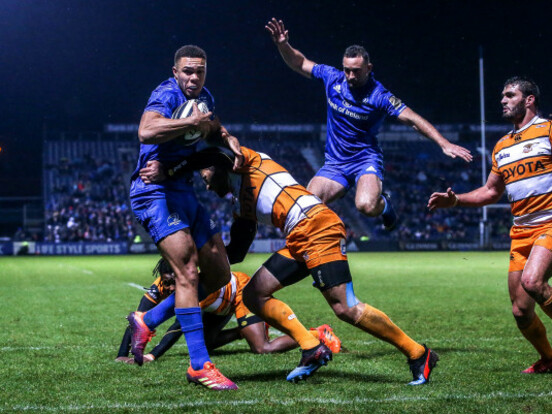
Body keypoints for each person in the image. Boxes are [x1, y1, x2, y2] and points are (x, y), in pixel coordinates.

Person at [139, 145, 438, 386]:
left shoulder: (244, 161)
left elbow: (215, 152)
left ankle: (418, 354)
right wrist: (197, 266)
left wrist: (174, 167)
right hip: (299, 236)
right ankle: (311, 346)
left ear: (216, 166)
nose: (204, 183)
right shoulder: (239, 204)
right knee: (254, 294)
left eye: (204, 173)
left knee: (345, 307)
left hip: (317, 228)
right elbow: (237, 252)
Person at [427, 76, 552, 374]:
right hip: (520, 231)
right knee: (520, 310)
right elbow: (490, 192)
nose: (503, 101)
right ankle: (548, 359)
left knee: (533, 282)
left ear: (529, 99)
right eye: (503, 96)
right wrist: (454, 201)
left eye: (510, 95)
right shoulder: (502, 146)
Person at [265, 17, 472, 231]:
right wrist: (283, 44)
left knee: (366, 205)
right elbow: (300, 63)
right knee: (307, 203)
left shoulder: (379, 95)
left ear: (369, 68)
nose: (350, 76)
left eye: (356, 71)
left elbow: (412, 118)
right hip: (335, 163)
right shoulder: (332, 79)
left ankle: (385, 206)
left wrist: (443, 143)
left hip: (365, 160)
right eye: (347, 70)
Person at [128, 44, 243, 391]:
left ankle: (147, 320)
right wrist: (190, 121)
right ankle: (199, 365)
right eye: (188, 71)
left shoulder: (205, 96)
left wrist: (229, 139)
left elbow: (214, 126)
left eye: (200, 71)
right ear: (175, 71)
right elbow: (146, 131)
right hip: (155, 192)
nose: (194, 77)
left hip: (183, 190)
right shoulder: (164, 94)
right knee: (187, 270)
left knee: (221, 274)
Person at [116, 258, 341, 364]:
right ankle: (243, 330)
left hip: (239, 294)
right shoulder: (161, 286)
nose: (173, 288)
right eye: (168, 282)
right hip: (218, 308)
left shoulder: (195, 287)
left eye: (175, 281)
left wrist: (152, 355)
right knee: (209, 344)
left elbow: (178, 326)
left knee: (262, 348)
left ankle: (317, 334)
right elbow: (138, 319)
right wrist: (121, 355)